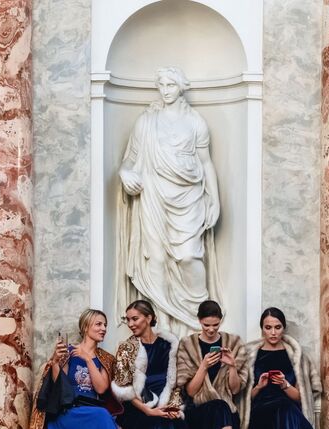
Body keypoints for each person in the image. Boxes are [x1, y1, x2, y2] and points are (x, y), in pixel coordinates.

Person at [117, 66, 223, 337]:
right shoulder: (146, 122)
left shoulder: (195, 122)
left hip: (188, 196)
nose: (165, 91)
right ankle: (161, 321)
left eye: (171, 86)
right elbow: (129, 162)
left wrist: (216, 200)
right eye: (161, 85)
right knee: (157, 258)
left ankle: (199, 316)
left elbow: (206, 162)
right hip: (153, 192)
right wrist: (125, 173)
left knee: (189, 255)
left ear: (181, 87)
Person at [29, 309, 121, 429]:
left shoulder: (106, 358)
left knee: (102, 415)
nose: (103, 329)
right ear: (85, 327)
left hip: (92, 409)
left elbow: (101, 389)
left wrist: (88, 359)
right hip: (70, 409)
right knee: (102, 416)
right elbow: (60, 385)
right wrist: (55, 362)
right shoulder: (68, 352)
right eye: (98, 324)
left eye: (105, 325)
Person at [111, 300, 186, 429]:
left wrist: (173, 408)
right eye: (128, 320)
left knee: (173, 422)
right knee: (157, 423)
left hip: (165, 401)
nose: (130, 324)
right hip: (138, 406)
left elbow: (176, 383)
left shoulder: (170, 344)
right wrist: (148, 410)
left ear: (149, 317)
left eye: (135, 319)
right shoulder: (126, 348)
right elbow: (124, 388)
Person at [243, 308, 321, 429]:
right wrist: (259, 387)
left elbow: (302, 398)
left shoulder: (297, 357)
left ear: (283, 328)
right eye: (268, 328)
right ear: (262, 329)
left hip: (288, 409)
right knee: (285, 408)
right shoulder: (249, 356)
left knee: (285, 408)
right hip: (260, 411)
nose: (273, 332)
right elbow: (243, 400)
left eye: (277, 327)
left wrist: (285, 385)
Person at [176, 300, 249, 429]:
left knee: (222, 407)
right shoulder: (187, 345)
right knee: (220, 407)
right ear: (199, 320)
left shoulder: (234, 343)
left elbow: (235, 390)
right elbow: (191, 392)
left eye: (216, 325)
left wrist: (232, 366)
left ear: (221, 320)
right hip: (199, 411)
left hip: (227, 410)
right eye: (206, 325)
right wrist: (204, 367)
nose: (211, 329)